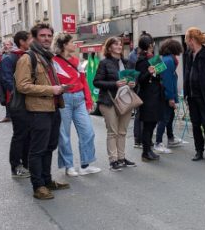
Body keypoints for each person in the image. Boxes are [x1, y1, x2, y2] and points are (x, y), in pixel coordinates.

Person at [14, 23, 69, 200]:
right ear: (35, 37)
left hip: (53, 108)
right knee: (37, 150)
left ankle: (47, 180)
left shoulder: (47, 57)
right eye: (43, 35)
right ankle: (38, 186)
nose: (46, 38)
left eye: (49, 35)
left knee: (49, 148)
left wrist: (59, 88)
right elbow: (22, 86)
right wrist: (50, 90)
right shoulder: (27, 58)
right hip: (38, 110)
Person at [52, 33, 100, 177]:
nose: (75, 45)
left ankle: (85, 165)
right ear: (64, 44)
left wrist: (89, 100)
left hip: (79, 98)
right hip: (63, 99)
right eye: (72, 42)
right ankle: (69, 166)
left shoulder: (76, 60)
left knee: (88, 131)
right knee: (64, 135)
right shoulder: (53, 62)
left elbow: (84, 81)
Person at [93, 36, 137, 171]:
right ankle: (113, 160)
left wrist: (133, 83)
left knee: (122, 131)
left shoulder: (128, 62)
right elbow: (96, 82)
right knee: (113, 131)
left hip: (125, 100)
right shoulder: (104, 63)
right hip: (108, 101)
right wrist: (114, 84)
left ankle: (121, 158)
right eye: (116, 44)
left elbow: (133, 80)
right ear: (109, 47)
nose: (119, 46)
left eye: (120, 44)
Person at [183, 27, 205, 163]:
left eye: (187, 39)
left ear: (191, 39)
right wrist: (185, 93)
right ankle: (199, 151)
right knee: (195, 124)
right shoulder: (188, 54)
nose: (186, 43)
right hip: (191, 96)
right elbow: (186, 74)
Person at [1, 30, 32, 178]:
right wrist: (16, 92)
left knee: (28, 134)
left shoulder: (28, 56)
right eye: (30, 39)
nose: (32, 41)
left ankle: (26, 164)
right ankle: (16, 166)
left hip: (30, 101)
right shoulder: (10, 58)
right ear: (22, 41)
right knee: (20, 135)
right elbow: (6, 79)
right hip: (17, 103)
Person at [135, 35, 163, 162]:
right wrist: (149, 72)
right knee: (148, 124)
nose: (153, 46)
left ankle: (149, 150)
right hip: (147, 96)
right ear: (149, 45)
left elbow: (160, 76)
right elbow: (140, 79)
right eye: (152, 44)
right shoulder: (141, 60)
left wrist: (157, 72)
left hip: (156, 95)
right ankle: (145, 152)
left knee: (153, 123)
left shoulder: (154, 58)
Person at [154, 39, 184, 154]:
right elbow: (167, 80)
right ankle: (158, 142)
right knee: (165, 118)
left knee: (170, 116)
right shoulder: (169, 61)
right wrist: (170, 98)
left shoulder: (166, 59)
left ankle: (170, 138)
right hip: (166, 94)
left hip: (166, 93)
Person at [129, 31, 152, 149]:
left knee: (142, 114)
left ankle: (142, 139)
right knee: (140, 114)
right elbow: (137, 75)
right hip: (138, 88)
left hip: (142, 87)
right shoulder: (136, 57)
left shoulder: (144, 56)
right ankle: (138, 139)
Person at [0, 39, 16, 123]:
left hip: (12, 79)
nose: (6, 46)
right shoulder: (2, 55)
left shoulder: (14, 54)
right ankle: (8, 116)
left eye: (7, 44)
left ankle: (13, 116)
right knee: (6, 98)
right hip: (3, 80)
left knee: (11, 98)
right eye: (4, 45)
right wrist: (0, 54)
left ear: (11, 45)